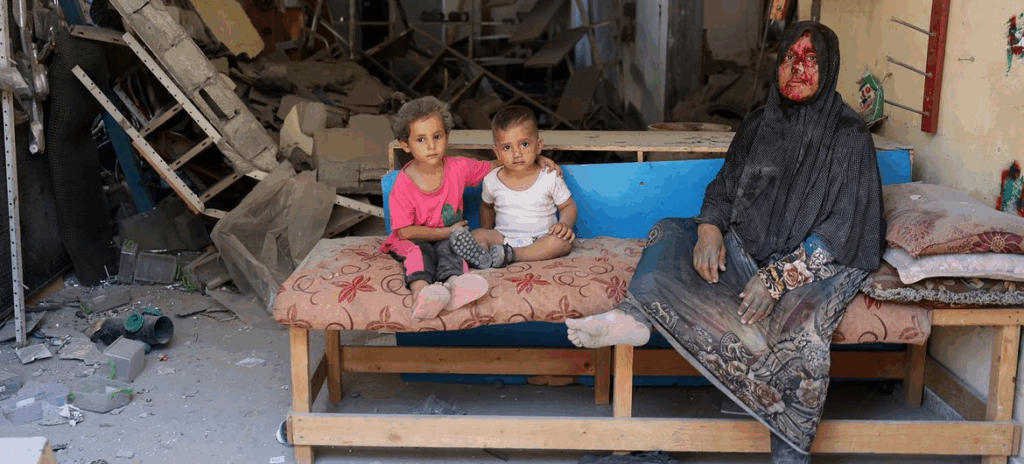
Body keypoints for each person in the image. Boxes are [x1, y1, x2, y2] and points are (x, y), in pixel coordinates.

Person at [563, 22, 884, 463]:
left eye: (811, 60)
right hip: (749, 249)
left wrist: (776, 280)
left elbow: (845, 228)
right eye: (790, 58)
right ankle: (635, 318)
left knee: (800, 336)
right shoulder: (759, 123)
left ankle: (789, 453)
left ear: (828, 70)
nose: (798, 69)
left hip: (815, 265)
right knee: (670, 231)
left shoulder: (849, 135)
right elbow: (724, 187)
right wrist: (710, 229)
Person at [381, 96, 561, 320]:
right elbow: (404, 231)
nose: (431, 146)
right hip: (412, 240)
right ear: (406, 145)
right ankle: (422, 294)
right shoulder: (403, 184)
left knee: (453, 250)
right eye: (420, 140)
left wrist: (536, 159)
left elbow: (495, 164)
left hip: (449, 237)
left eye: (437, 136)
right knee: (419, 253)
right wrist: (446, 232)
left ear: (447, 136)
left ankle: (453, 286)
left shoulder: (458, 167)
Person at [449, 105, 578, 269]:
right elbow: (487, 207)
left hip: (541, 239)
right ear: (497, 153)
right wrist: (487, 232)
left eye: (524, 144)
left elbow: (568, 205)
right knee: (477, 235)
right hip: (503, 239)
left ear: (538, 146)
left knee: (562, 242)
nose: (517, 153)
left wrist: (565, 223)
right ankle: (484, 256)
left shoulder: (549, 176)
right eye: (507, 147)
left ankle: (513, 255)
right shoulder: (491, 180)